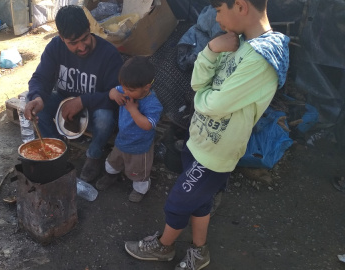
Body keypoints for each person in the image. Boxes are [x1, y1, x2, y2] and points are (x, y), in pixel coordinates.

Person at [124, 0, 289, 269]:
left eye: (219, 9)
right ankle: (199, 251)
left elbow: (213, 105)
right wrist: (212, 49)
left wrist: (203, 98)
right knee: (199, 201)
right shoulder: (236, 42)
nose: (216, 17)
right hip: (199, 138)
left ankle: (164, 247)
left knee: (178, 203)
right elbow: (198, 82)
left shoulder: (261, 59)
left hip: (215, 152)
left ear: (241, 5)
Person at [24, 5, 123, 182]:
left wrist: (82, 101)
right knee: (37, 105)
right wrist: (36, 97)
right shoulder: (55, 47)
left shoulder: (109, 54)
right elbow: (40, 77)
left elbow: (115, 97)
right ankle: (59, 151)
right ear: (61, 38)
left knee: (104, 118)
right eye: (73, 43)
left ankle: (94, 155)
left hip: (97, 107)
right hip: (64, 101)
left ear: (89, 29)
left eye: (84, 38)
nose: (82, 46)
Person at [95, 56, 163, 202]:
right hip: (122, 141)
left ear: (146, 87)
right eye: (123, 87)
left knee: (139, 172)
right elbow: (113, 91)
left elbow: (147, 125)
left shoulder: (152, 103)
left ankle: (139, 190)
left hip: (140, 146)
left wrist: (133, 110)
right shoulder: (126, 90)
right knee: (114, 162)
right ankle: (111, 175)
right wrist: (115, 94)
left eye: (130, 89)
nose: (125, 91)